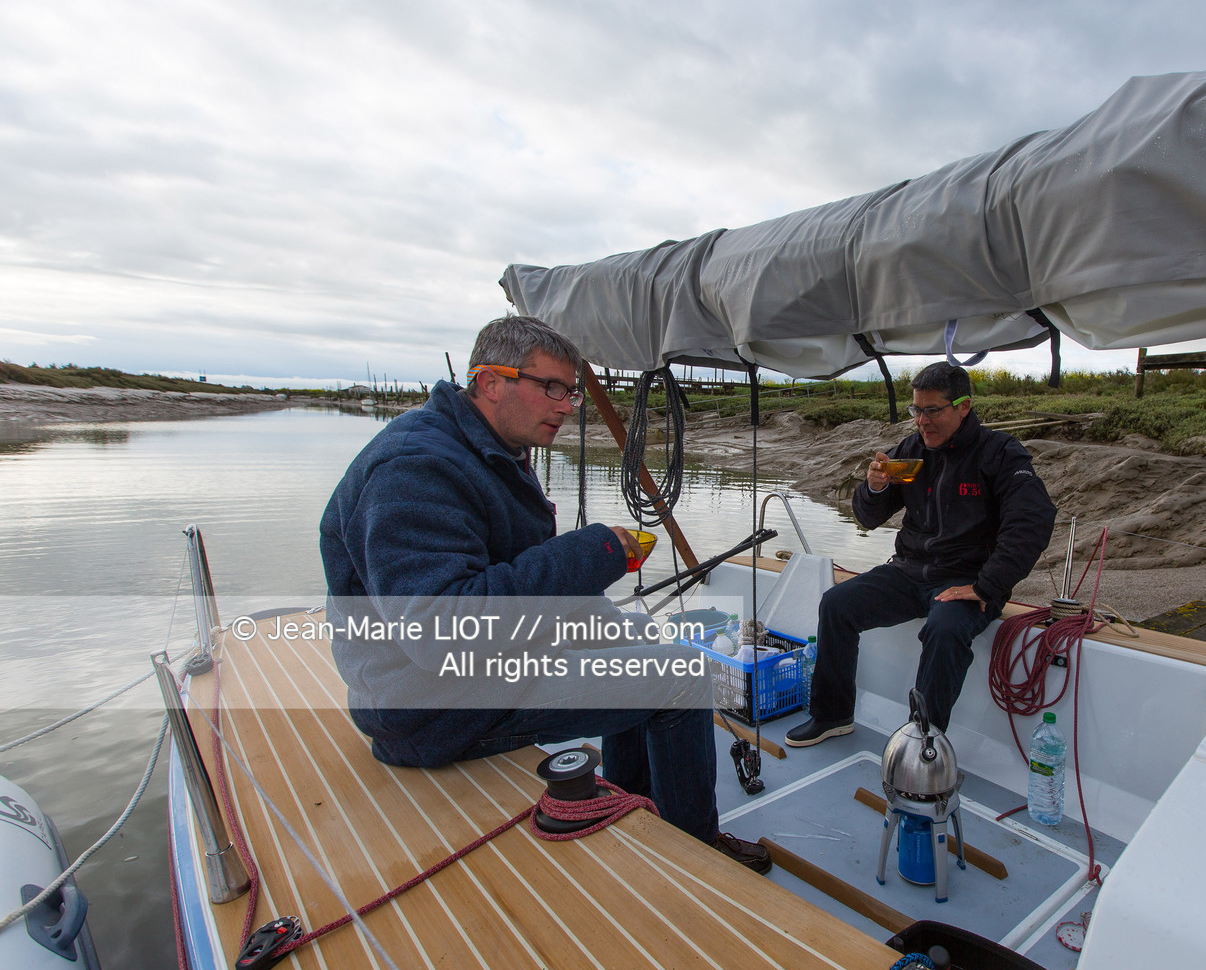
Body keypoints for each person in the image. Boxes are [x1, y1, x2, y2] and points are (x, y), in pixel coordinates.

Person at [320, 315, 770, 872]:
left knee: (640, 638)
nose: (566, 405)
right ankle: (697, 853)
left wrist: (607, 613)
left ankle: (633, 810)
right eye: (551, 388)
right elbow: (439, 631)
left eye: (572, 392)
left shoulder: (484, 445)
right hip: (433, 702)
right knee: (686, 677)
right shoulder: (414, 469)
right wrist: (595, 552)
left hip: (480, 666)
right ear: (489, 382)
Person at [786, 362, 1055, 746]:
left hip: (967, 580)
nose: (922, 421)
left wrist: (987, 585)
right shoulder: (912, 452)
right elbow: (868, 518)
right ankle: (832, 715)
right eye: (916, 410)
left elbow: (1034, 519)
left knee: (945, 629)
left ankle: (922, 739)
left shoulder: (999, 454)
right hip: (909, 572)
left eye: (932, 411)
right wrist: (875, 488)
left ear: (963, 407)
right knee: (836, 604)